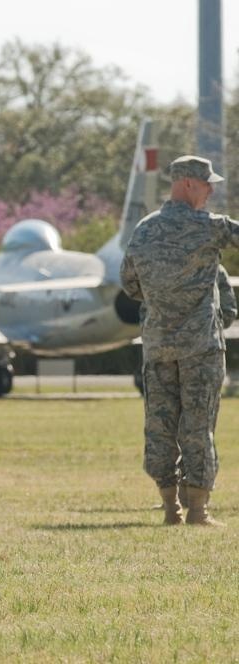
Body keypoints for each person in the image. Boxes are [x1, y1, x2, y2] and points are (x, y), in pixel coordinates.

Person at [121, 154, 239, 528]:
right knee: (198, 424)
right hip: (200, 347)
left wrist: (163, 300)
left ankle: (170, 506)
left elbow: (129, 283)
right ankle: (198, 511)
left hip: (157, 347)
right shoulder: (208, 227)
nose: (211, 191)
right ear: (188, 183)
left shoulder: (144, 229)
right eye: (208, 184)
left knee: (159, 425)